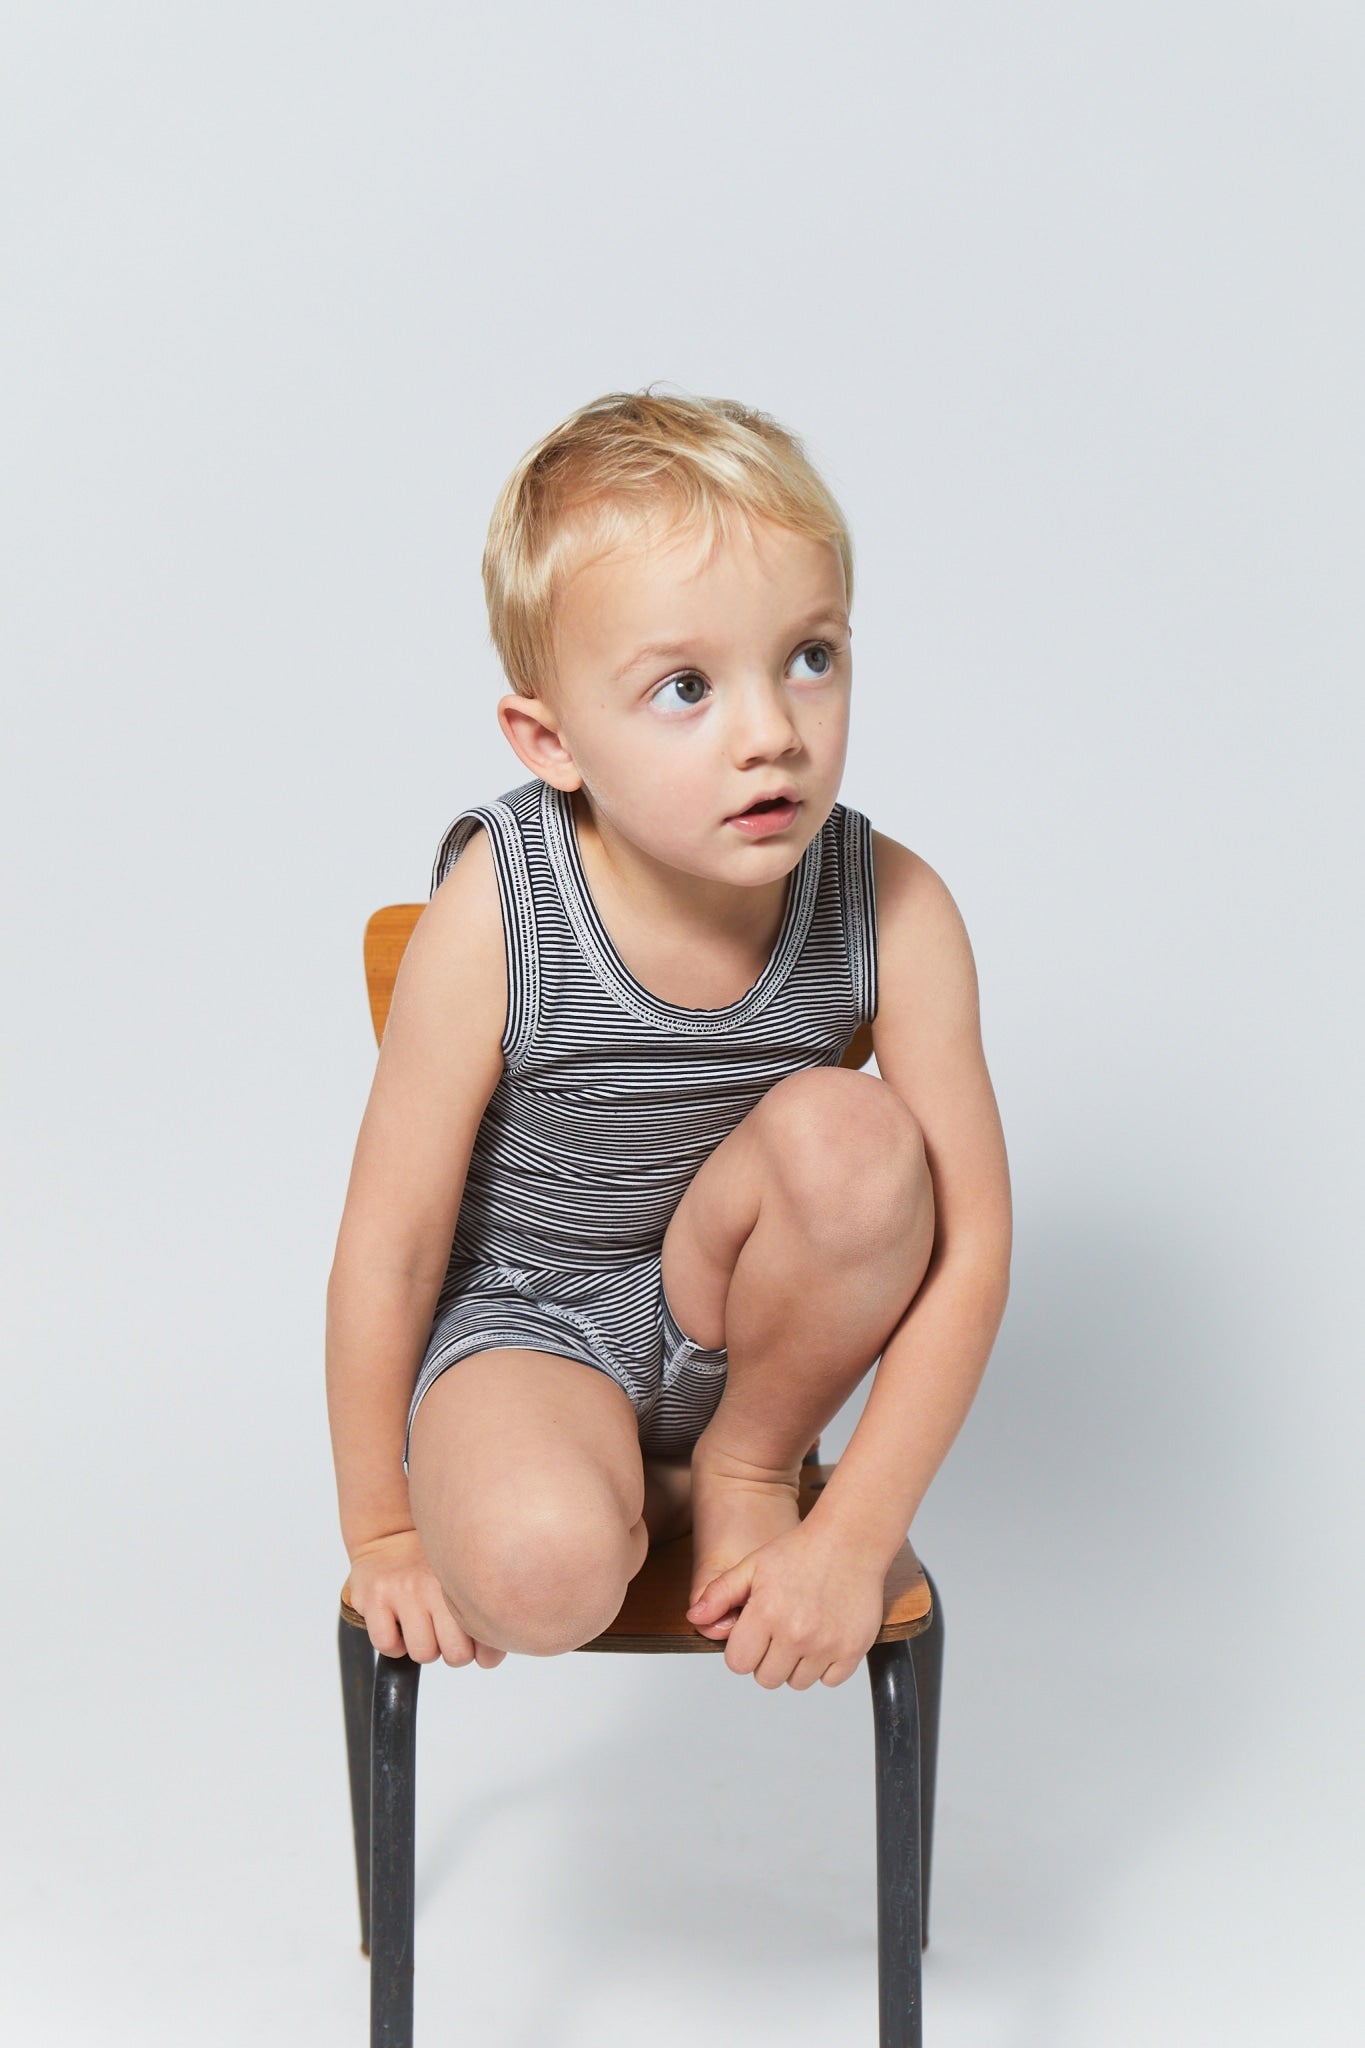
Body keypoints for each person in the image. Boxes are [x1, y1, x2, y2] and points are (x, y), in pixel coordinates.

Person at [325, 388, 1012, 1692]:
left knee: (855, 1137)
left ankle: (739, 1473)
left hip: (749, 1340)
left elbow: (969, 1242)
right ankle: (599, 1488)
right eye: (685, 688)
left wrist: (850, 1535)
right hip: (528, 1331)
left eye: (810, 655)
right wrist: (386, 1528)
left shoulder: (897, 905)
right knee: (539, 1576)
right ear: (551, 741)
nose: (771, 733)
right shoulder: (502, 902)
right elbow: (393, 1240)